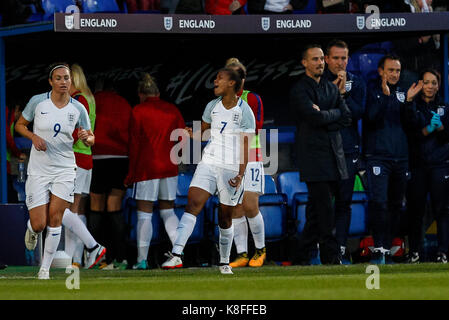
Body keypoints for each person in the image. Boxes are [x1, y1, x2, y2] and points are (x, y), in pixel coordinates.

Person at [161, 67, 255, 274]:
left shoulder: (244, 111)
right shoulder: (211, 106)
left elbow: (245, 146)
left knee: (225, 218)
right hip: (209, 162)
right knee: (193, 202)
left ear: (232, 83)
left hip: (231, 168)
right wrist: (192, 134)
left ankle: (223, 262)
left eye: (219, 78)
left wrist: (240, 174)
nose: (214, 81)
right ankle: (176, 254)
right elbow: (204, 132)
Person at [15, 63, 94, 279]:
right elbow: (19, 125)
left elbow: (90, 137)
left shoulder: (78, 108)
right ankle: (32, 228)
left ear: (71, 81)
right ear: (51, 82)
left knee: (56, 217)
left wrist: (87, 138)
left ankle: (44, 270)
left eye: (66, 78)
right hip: (39, 171)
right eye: (58, 78)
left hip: (65, 169)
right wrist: (34, 137)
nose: (63, 82)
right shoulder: (38, 101)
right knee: (40, 224)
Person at [289, 44, 352, 265]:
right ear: (304, 63)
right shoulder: (299, 90)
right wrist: (330, 116)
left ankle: (300, 257)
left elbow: (346, 117)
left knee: (317, 213)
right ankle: (331, 258)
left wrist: (325, 114)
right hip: (314, 159)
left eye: (321, 59)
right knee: (325, 211)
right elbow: (313, 118)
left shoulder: (331, 88)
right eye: (314, 59)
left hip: (334, 157)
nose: (320, 63)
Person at [124, 73, 185, 270]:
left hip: (146, 169)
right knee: (168, 212)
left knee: (144, 215)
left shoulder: (138, 111)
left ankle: (142, 260)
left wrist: (130, 174)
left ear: (141, 94)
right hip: (169, 167)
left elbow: (134, 145)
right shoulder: (172, 110)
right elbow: (182, 139)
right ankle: (178, 253)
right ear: (158, 92)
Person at [363, 54, 418, 264]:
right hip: (378, 157)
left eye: (397, 70)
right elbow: (370, 118)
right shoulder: (373, 90)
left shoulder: (404, 93)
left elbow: (411, 124)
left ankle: (386, 247)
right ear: (381, 72)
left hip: (401, 158)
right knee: (379, 202)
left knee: (396, 204)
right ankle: (378, 247)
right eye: (391, 70)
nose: (395, 74)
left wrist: (410, 102)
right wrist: (385, 97)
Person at [323, 40, 366, 263]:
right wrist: (337, 96)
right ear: (327, 59)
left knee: (343, 202)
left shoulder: (357, 82)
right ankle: (322, 250)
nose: (340, 62)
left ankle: (339, 249)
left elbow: (358, 112)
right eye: (336, 58)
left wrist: (343, 96)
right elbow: (320, 113)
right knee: (322, 203)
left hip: (348, 151)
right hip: (323, 151)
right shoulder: (318, 83)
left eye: (344, 58)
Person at [224, 58, 267, 268]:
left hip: (251, 157)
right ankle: (241, 254)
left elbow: (256, 127)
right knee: (235, 208)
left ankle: (260, 250)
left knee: (250, 204)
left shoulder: (252, 98)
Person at [63, 63, 106, 268]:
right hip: (85, 157)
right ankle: (76, 260)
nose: (63, 82)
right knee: (75, 210)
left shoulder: (79, 99)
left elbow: (76, 130)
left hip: (76, 157)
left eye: (66, 78)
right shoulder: (89, 98)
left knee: (66, 210)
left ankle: (86, 251)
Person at [405, 69, 449, 263]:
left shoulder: (445, 108)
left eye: (433, 83)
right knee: (416, 210)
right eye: (426, 82)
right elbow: (411, 134)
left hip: (441, 165)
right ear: (420, 84)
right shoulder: (412, 105)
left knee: (442, 210)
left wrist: (440, 129)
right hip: (418, 165)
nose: (430, 86)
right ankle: (414, 251)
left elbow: (447, 137)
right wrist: (427, 130)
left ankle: (443, 252)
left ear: (438, 85)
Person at [90, 78, 132, 270]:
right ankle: (121, 257)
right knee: (114, 206)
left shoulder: (91, 100)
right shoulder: (124, 103)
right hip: (120, 158)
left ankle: (95, 257)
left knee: (96, 206)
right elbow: (131, 133)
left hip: (97, 157)